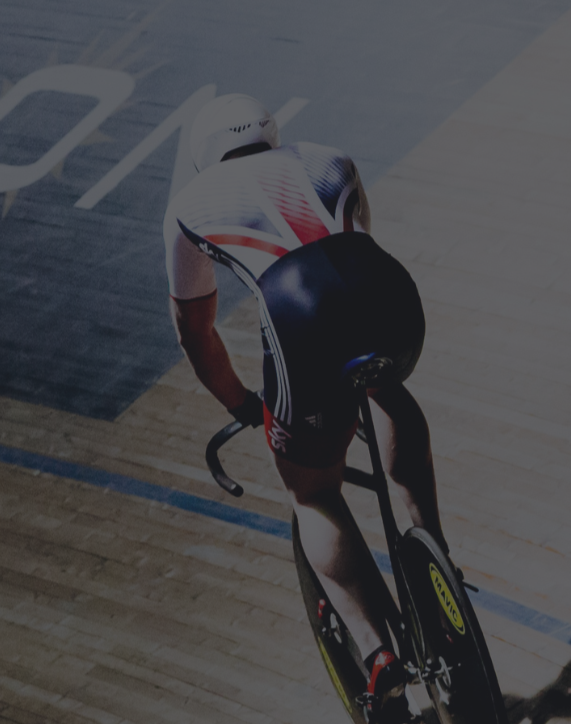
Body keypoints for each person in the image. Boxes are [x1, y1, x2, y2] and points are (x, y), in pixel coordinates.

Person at [163, 93, 445, 721]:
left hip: (302, 312)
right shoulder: (328, 158)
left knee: (312, 492)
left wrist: (243, 404)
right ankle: (434, 558)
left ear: (203, 154)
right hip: (385, 291)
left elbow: (196, 331)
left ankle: (378, 656)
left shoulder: (189, 207)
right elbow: (356, 246)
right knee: (384, 384)